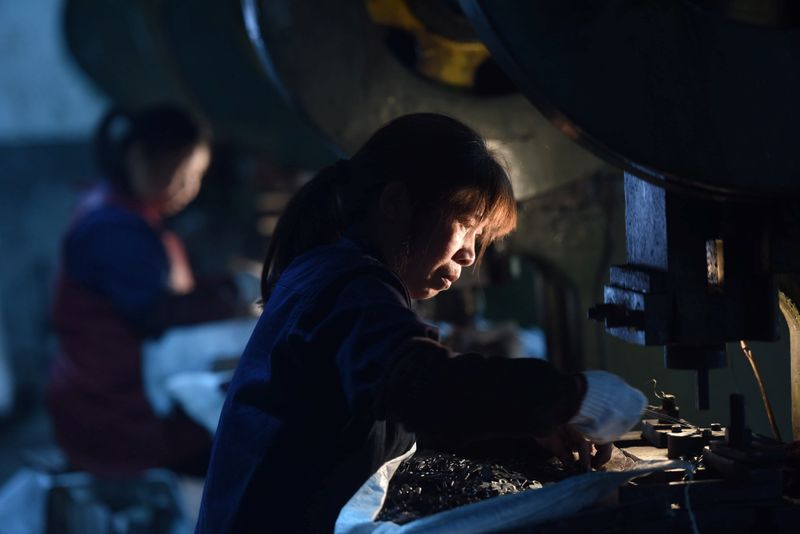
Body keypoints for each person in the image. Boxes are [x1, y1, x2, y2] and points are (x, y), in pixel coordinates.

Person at [196, 113, 646, 533]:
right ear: (395, 204)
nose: (470, 254)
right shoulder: (351, 286)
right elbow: (423, 387)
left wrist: (527, 430)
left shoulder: (329, 271)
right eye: (466, 224)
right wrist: (574, 397)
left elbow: (393, 417)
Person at [48, 105, 247, 476]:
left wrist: (221, 287)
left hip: (108, 395)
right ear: (140, 157)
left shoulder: (127, 213)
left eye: (197, 176)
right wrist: (232, 299)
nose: (190, 189)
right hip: (113, 410)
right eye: (182, 174)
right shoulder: (115, 228)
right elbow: (152, 312)